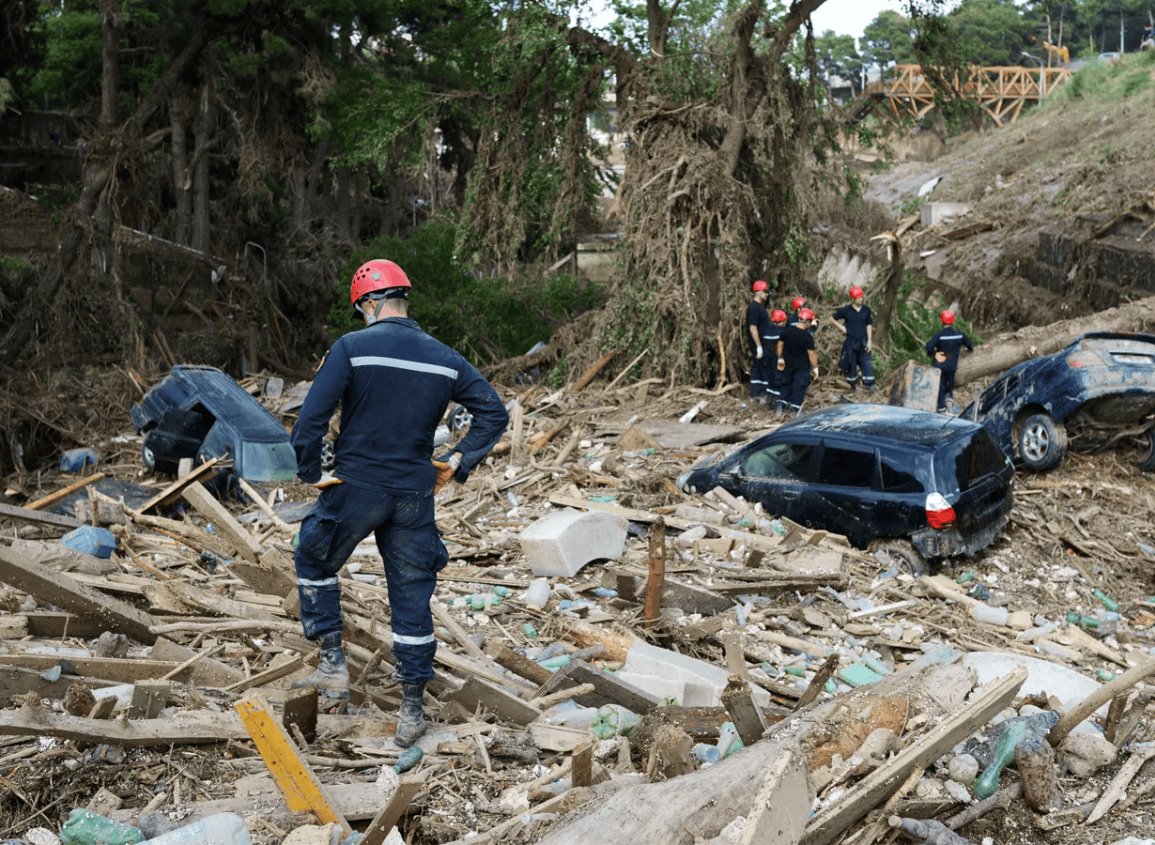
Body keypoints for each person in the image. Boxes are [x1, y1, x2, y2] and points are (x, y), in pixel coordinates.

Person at [289, 258, 509, 747]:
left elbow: (309, 423)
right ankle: (411, 710)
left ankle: (331, 665)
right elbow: (493, 413)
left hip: (356, 486)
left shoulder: (351, 348)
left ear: (368, 303)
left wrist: (312, 473)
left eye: (361, 307)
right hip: (414, 492)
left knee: (313, 557)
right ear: (402, 298)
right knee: (411, 596)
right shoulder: (445, 358)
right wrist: (457, 460)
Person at [926, 309, 974, 413]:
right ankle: (949, 403)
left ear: (942, 321)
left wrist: (934, 354)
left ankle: (941, 408)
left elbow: (929, 346)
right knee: (949, 385)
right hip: (952, 367)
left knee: (941, 387)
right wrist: (970, 349)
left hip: (940, 367)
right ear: (953, 321)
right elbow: (969, 344)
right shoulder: (959, 335)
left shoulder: (940, 335)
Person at [830, 285, 875, 397]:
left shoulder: (866, 310)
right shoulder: (846, 310)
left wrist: (869, 340)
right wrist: (843, 328)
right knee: (851, 364)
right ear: (853, 298)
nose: (861, 299)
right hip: (850, 342)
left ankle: (871, 387)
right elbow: (832, 318)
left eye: (862, 297)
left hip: (864, 341)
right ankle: (853, 387)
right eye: (859, 297)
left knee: (867, 364)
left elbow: (869, 325)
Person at [775, 307, 819, 418]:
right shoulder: (807, 337)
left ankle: (780, 406)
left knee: (786, 385)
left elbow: (779, 346)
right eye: (811, 321)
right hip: (802, 367)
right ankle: (795, 411)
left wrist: (780, 358)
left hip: (788, 365)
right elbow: (812, 354)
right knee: (799, 387)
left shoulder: (786, 331)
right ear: (807, 321)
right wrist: (815, 368)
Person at [746, 280, 773, 405]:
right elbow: (753, 327)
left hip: (764, 344)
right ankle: (760, 395)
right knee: (762, 369)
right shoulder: (754, 308)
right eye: (765, 291)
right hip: (759, 345)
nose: (767, 294)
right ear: (758, 292)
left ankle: (758, 395)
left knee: (760, 368)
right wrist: (758, 347)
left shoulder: (760, 307)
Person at [764, 308, 789, 406]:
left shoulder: (768, 331)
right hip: (779, 359)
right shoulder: (782, 332)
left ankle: (770, 399)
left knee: (771, 379)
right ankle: (779, 403)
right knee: (781, 379)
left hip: (768, 359)